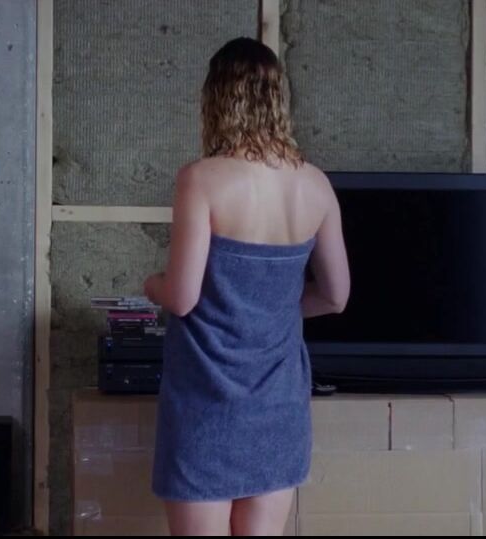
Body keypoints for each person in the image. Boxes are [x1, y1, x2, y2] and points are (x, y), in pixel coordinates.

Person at [142, 36, 351, 536]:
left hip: (207, 401)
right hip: (278, 405)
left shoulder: (201, 179)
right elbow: (336, 296)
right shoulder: (315, 185)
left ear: (216, 99)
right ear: (278, 99)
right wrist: (272, 309)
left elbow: (183, 297)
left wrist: (151, 285)